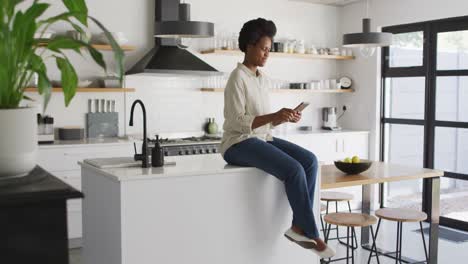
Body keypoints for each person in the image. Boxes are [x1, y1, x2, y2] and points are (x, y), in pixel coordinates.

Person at [220, 18, 335, 259]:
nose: (266, 54)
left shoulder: (262, 79)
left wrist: (283, 117)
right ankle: (313, 234)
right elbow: (236, 122)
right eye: (263, 48)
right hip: (238, 143)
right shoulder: (236, 78)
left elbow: (263, 120)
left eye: (269, 50)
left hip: (262, 138)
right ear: (249, 46)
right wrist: (274, 115)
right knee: (293, 169)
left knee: (311, 161)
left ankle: (297, 227)